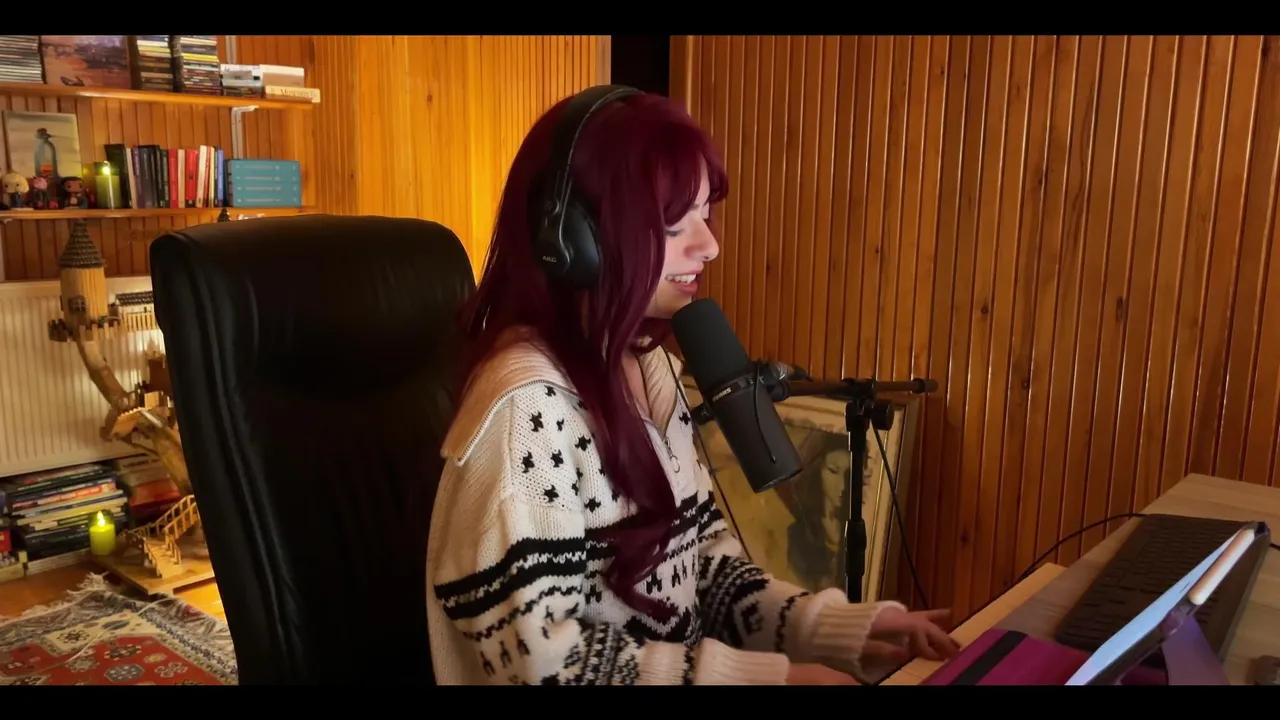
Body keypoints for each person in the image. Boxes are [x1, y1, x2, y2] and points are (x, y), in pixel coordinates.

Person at [425, 86, 960, 686]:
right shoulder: (525, 414)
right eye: (674, 224)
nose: (710, 246)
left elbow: (699, 561)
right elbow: (543, 670)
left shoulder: (651, 368)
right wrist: (777, 681)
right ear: (573, 242)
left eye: (704, 216)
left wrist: (831, 628)